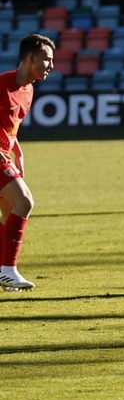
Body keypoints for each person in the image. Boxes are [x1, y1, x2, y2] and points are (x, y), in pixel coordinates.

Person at [0, 33, 55, 291]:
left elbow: (10, 127)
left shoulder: (29, 90)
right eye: (46, 59)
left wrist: (17, 151)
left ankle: (4, 272)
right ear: (29, 57)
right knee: (24, 202)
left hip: (4, 154)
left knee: (10, 213)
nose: (51, 65)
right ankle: (8, 271)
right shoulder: (3, 84)